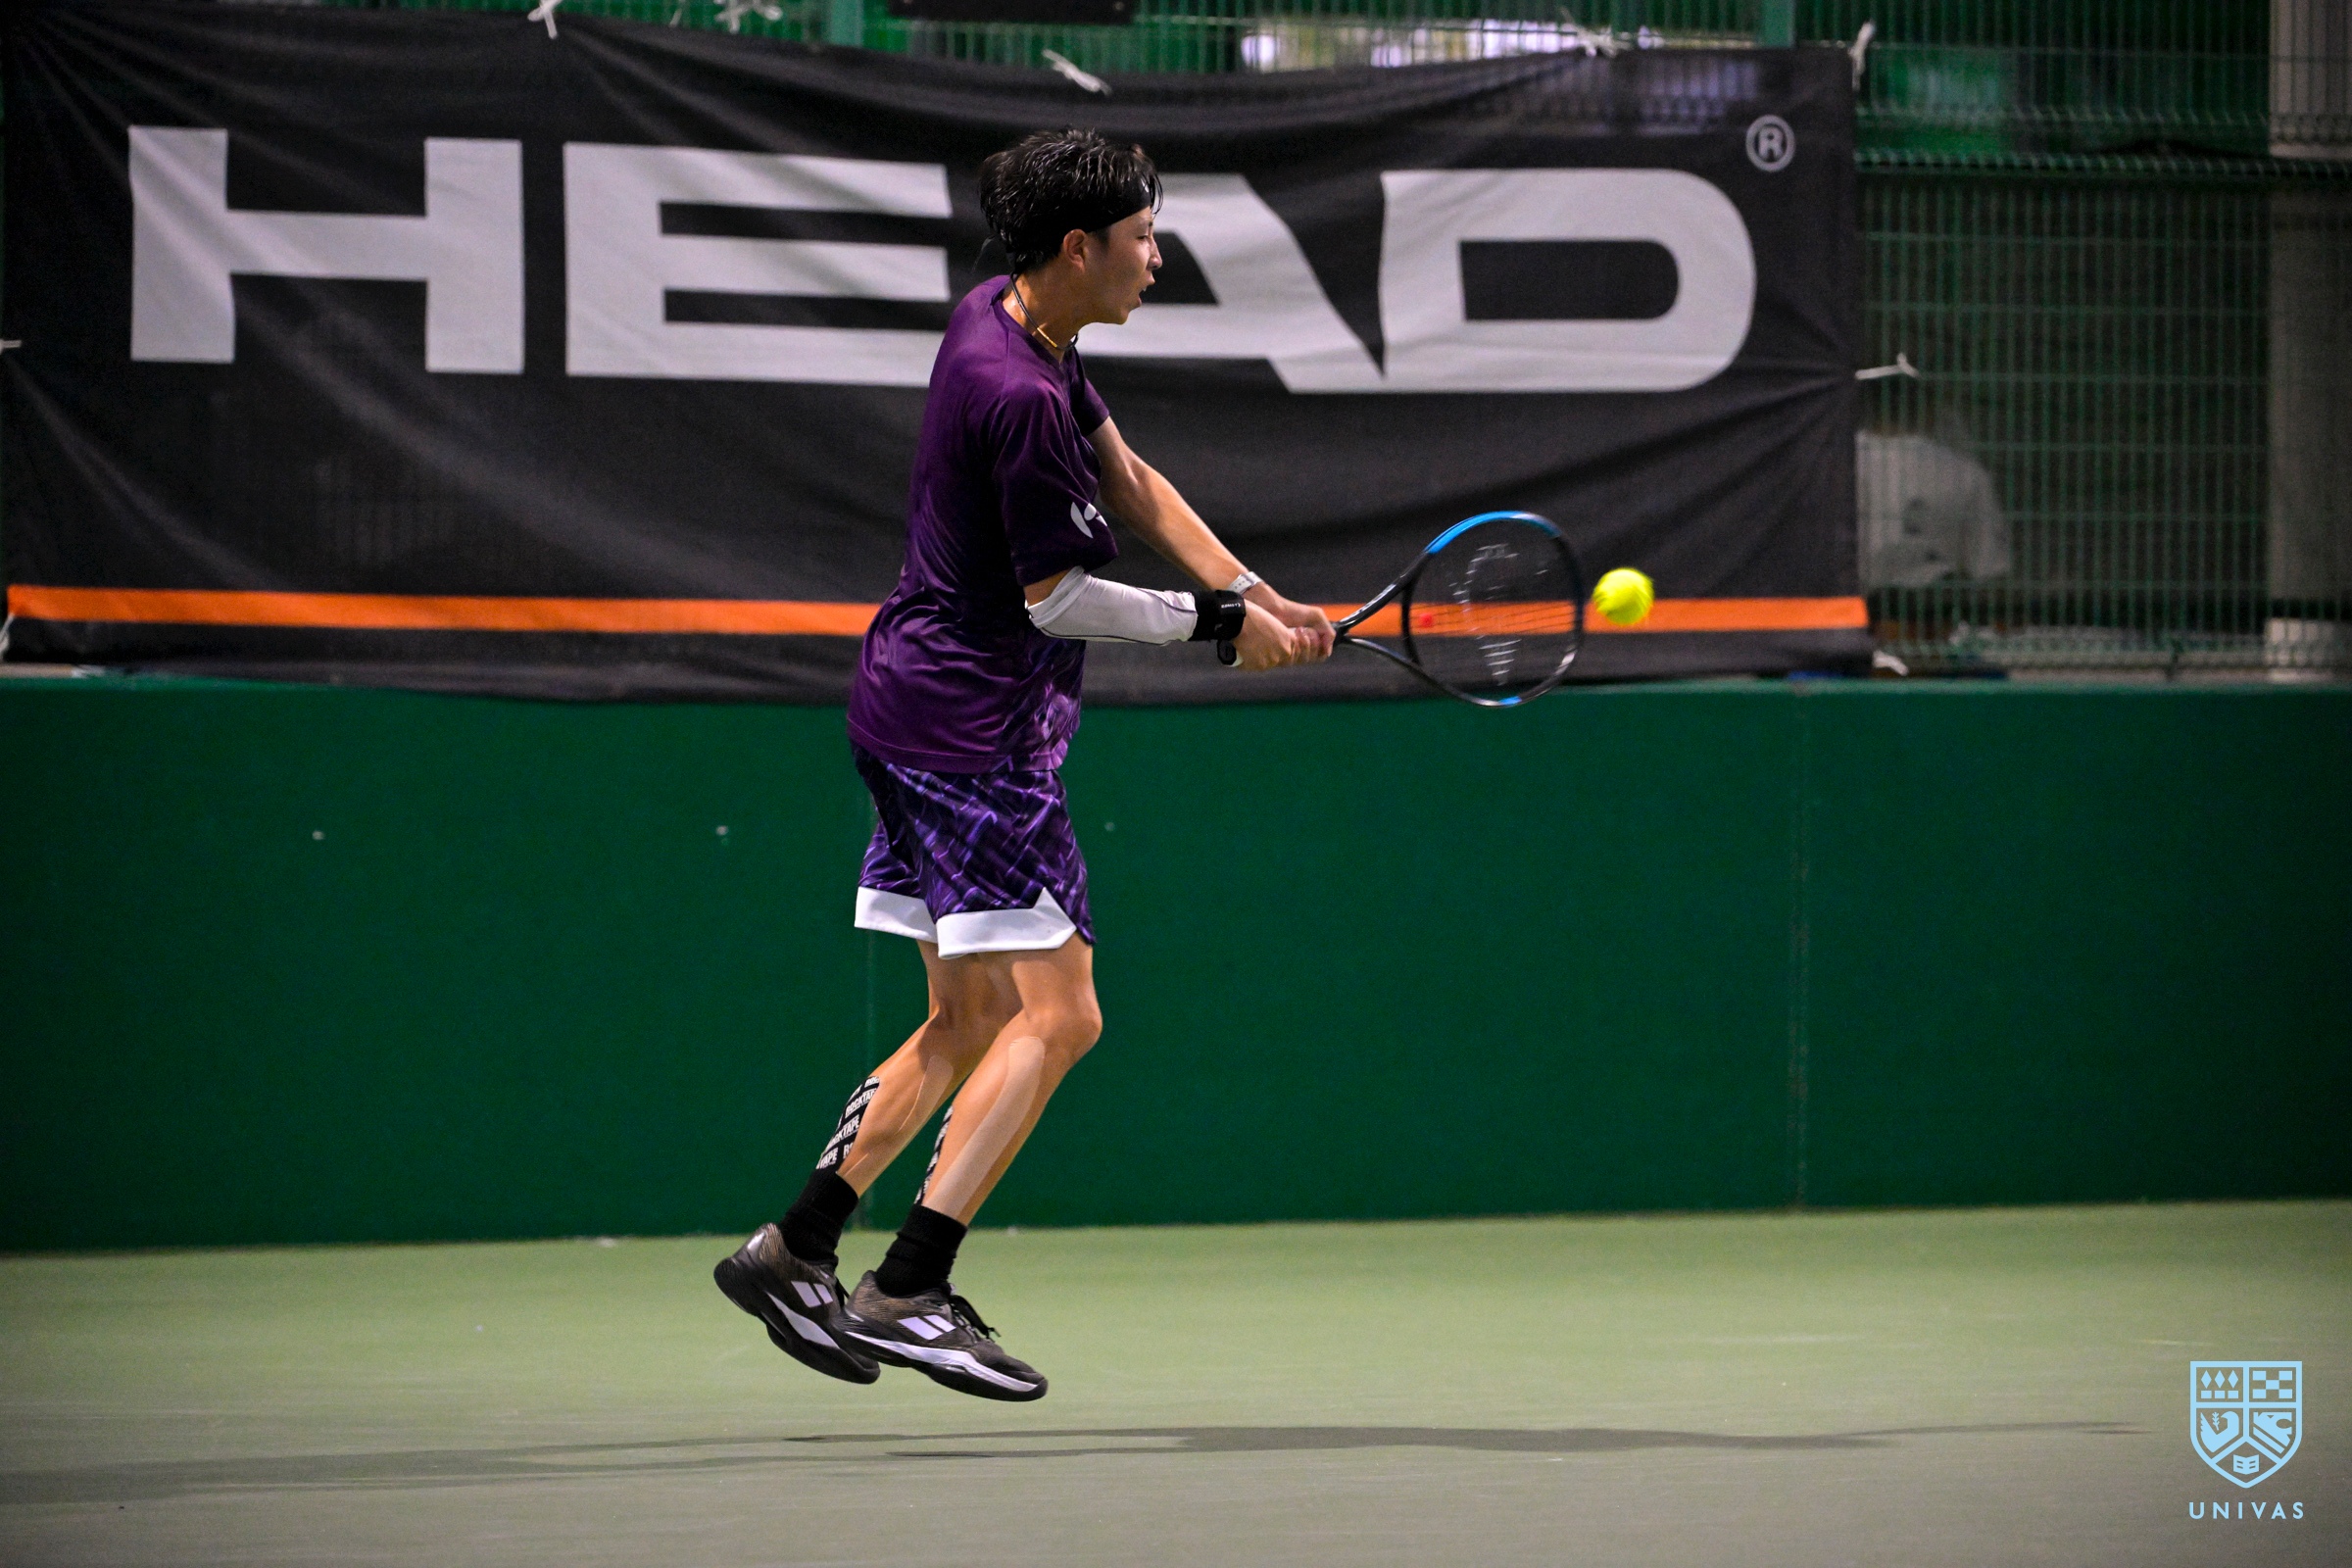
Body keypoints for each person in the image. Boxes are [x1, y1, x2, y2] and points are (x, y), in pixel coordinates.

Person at [714, 128, 1335, 1401]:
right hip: (975, 742)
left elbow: (1134, 481)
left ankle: (795, 1250)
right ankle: (908, 1287)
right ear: (1077, 247)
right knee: (1063, 1016)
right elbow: (1055, 600)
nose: (1157, 259)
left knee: (971, 1018)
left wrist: (1255, 592)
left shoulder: (1008, 323)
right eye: (1143, 240)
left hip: (906, 709)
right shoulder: (1019, 397)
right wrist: (1217, 628)